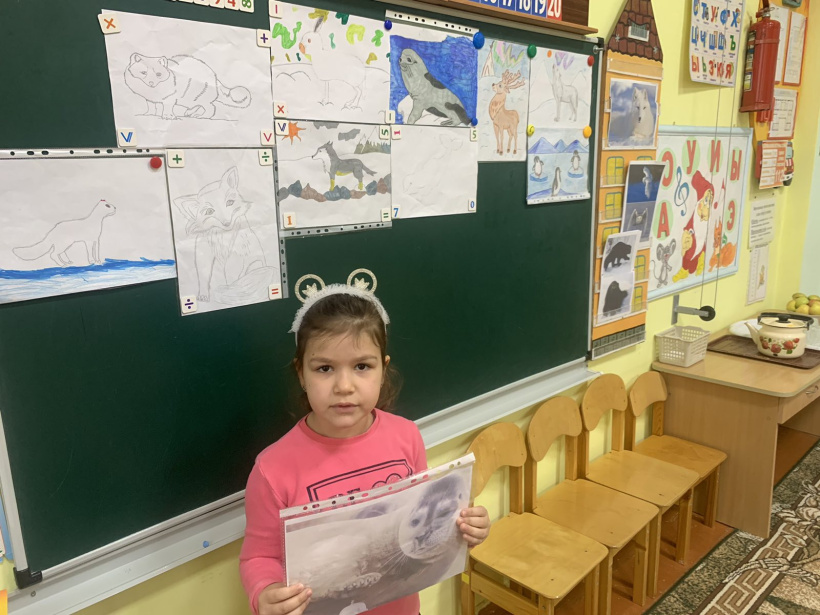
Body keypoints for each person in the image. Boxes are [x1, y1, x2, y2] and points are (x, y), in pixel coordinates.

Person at [240, 283, 491, 615]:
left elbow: (422, 514)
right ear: (301, 373)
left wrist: (466, 526)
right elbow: (259, 556)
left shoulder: (406, 436)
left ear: (383, 369)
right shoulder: (273, 469)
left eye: (362, 366)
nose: (344, 386)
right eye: (324, 368)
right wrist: (265, 591)